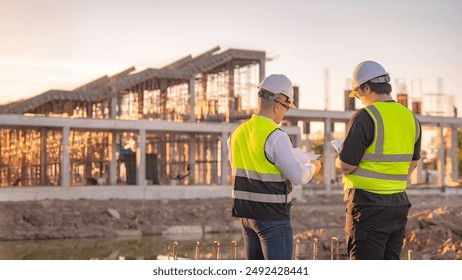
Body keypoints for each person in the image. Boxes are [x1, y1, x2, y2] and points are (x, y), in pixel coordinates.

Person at [228, 74, 321, 260]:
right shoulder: (276, 136)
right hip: (272, 217)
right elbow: (298, 177)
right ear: (278, 105)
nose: (284, 113)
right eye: (286, 108)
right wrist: (313, 167)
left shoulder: (237, 134)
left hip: (246, 216)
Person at [335, 61, 422, 260]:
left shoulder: (365, 117)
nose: (359, 99)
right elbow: (413, 163)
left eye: (358, 94)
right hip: (398, 204)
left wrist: (337, 161)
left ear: (366, 87)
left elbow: (347, 165)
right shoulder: (411, 118)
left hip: (368, 206)